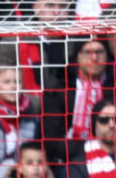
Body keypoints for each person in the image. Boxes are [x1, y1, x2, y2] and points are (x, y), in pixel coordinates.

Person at [42, 36, 115, 165]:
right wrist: (92, 150)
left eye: (99, 52)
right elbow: (52, 141)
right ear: (78, 56)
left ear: (107, 55)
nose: (94, 58)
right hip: (71, 161)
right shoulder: (60, 87)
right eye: (88, 52)